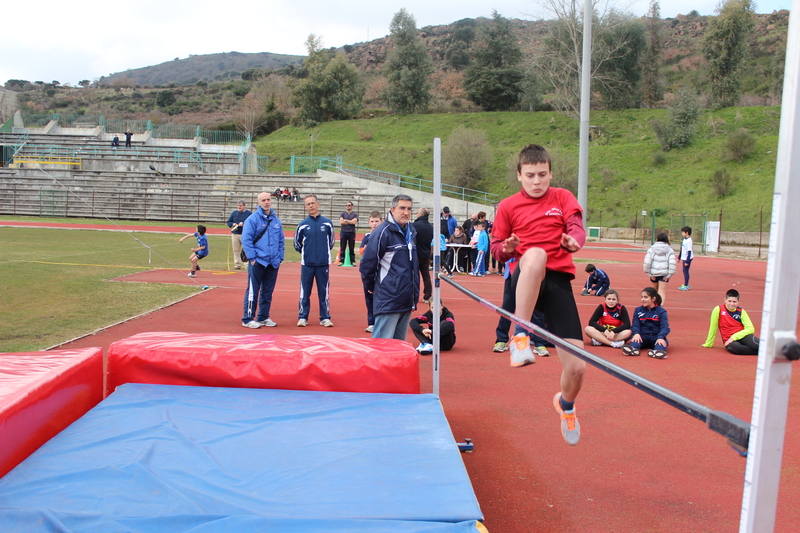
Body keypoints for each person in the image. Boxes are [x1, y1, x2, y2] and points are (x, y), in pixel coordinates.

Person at [490, 143, 586, 446]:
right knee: (533, 255)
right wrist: (506, 249)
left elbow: (576, 226)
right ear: (519, 175)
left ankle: (566, 406)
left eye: (542, 175)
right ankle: (520, 337)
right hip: (526, 279)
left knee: (577, 368)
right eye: (530, 175)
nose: (536, 181)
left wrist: (575, 242)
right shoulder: (507, 206)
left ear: (550, 173)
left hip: (557, 283)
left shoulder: (563, 197)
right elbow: (496, 248)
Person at [359, 194, 418, 341]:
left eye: (409, 209)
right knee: (381, 348)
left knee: (398, 349)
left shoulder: (410, 230)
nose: (406, 212)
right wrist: (375, 286)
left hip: (406, 298)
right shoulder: (382, 232)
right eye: (402, 208)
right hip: (389, 299)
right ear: (392, 209)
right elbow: (367, 265)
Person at [492, 258, 553, 357]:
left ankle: (539, 343)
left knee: (536, 309)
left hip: (533, 274)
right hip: (513, 272)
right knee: (507, 308)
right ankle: (501, 340)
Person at [240, 192, 284, 329]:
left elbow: (281, 240)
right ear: (258, 203)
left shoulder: (276, 220)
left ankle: (263, 316)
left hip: (273, 262)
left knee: (267, 291)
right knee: (253, 290)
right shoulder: (252, 219)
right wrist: (252, 258)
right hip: (258, 261)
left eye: (268, 199)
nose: (266, 202)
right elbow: (246, 240)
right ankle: (248, 318)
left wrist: (280, 256)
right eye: (263, 200)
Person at [293, 194, 335, 327]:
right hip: (307, 264)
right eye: (308, 204)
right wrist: (307, 253)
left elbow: (331, 242)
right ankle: (303, 317)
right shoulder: (303, 225)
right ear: (305, 207)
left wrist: (323, 253)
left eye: (312, 203)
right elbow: (296, 243)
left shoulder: (327, 223)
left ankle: (325, 317)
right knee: (305, 291)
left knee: (324, 291)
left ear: (318, 204)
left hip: (323, 263)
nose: (311, 206)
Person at [702, 288, 760, 355]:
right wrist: (709, 343)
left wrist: (734, 337)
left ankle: (766, 351)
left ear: (738, 301)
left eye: (734, 302)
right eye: (729, 301)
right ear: (725, 300)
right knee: (736, 348)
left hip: (743, 336)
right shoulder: (718, 309)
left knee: (758, 344)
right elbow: (713, 327)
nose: (731, 304)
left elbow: (751, 328)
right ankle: (762, 353)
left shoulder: (741, 311)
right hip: (728, 339)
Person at [622, 287, 670, 359]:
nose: (643, 300)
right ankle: (633, 349)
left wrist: (661, 337)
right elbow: (635, 324)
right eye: (642, 297)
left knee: (661, 343)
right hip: (642, 336)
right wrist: (636, 334)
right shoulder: (638, 310)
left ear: (653, 299)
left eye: (646, 297)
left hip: (655, 336)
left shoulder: (661, 311)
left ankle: (657, 351)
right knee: (635, 341)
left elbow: (665, 327)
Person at [359, 211, 383, 333]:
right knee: (369, 296)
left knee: (381, 297)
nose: (374, 224)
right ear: (369, 222)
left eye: (377, 221)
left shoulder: (384, 235)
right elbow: (361, 250)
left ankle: (381, 322)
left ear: (381, 222)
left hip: (381, 271)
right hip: (368, 271)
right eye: (372, 221)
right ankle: (372, 322)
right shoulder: (367, 236)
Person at [644, 232, 676, 305]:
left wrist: (648, 273)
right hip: (664, 274)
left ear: (657, 239)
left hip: (654, 273)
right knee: (661, 291)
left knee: (654, 291)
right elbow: (672, 263)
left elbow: (647, 262)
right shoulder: (669, 250)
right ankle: (660, 308)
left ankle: (653, 307)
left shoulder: (651, 249)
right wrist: (669, 275)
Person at [413, 207, 434, 303]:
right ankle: (427, 295)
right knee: (426, 276)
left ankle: (414, 295)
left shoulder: (414, 225)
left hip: (416, 253)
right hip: (426, 253)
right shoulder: (430, 227)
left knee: (414, 275)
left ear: (421, 214)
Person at [226, 201, 252, 270]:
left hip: (245, 234)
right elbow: (229, 221)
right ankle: (237, 264)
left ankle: (247, 264)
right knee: (236, 250)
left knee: (246, 249)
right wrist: (232, 224)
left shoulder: (249, 214)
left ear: (244, 206)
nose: (239, 207)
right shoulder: (234, 213)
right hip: (235, 234)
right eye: (238, 205)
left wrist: (244, 223)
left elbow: (252, 222)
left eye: (240, 205)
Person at [338, 201, 358, 265]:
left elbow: (354, 222)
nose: (347, 206)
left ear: (352, 206)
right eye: (346, 205)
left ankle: (353, 261)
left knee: (351, 247)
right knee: (342, 247)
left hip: (351, 232)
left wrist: (346, 220)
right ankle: (341, 260)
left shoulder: (355, 214)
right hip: (343, 232)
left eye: (349, 205)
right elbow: (341, 222)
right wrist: (350, 221)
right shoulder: (342, 214)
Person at [679, 226, 693, 291]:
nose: (682, 234)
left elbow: (689, 252)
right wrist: (679, 257)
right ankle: (685, 284)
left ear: (686, 233)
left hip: (687, 258)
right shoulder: (684, 240)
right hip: (684, 257)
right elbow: (682, 249)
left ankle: (686, 285)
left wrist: (687, 261)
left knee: (686, 271)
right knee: (684, 271)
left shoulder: (689, 241)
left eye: (683, 232)